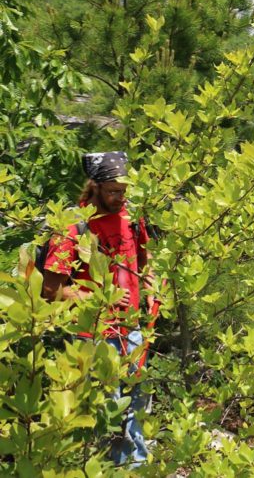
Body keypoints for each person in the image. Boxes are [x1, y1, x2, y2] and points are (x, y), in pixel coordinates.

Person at [41, 151, 156, 468]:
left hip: (131, 333)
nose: (120, 197)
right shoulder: (73, 228)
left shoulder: (132, 218)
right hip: (94, 337)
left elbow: (145, 265)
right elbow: (51, 291)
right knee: (106, 419)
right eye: (113, 191)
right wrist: (98, 298)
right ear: (95, 187)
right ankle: (110, 471)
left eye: (124, 190)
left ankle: (138, 470)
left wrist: (151, 288)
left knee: (136, 412)